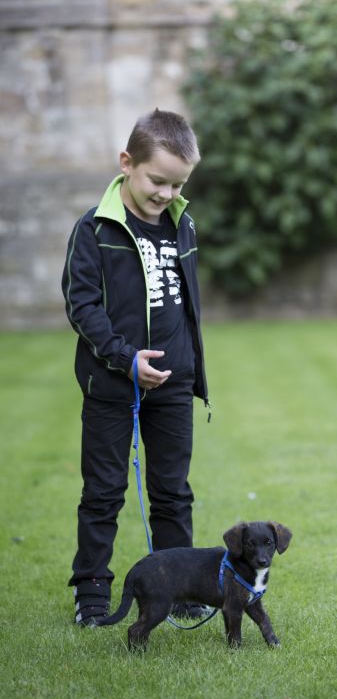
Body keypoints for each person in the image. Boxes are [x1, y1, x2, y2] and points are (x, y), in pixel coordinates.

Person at [62, 109, 209, 626]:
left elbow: (185, 304)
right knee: (103, 491)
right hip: (111, 382)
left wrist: (188, 367)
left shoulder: (182, 224)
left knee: (173, 492)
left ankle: (182, 587)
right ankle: (93, 593)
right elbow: (82, 306)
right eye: (157, 180)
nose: (167, 193)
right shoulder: (94, 229)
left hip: (173, 382)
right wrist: (126, 359)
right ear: (127, 163)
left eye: (178, 184)